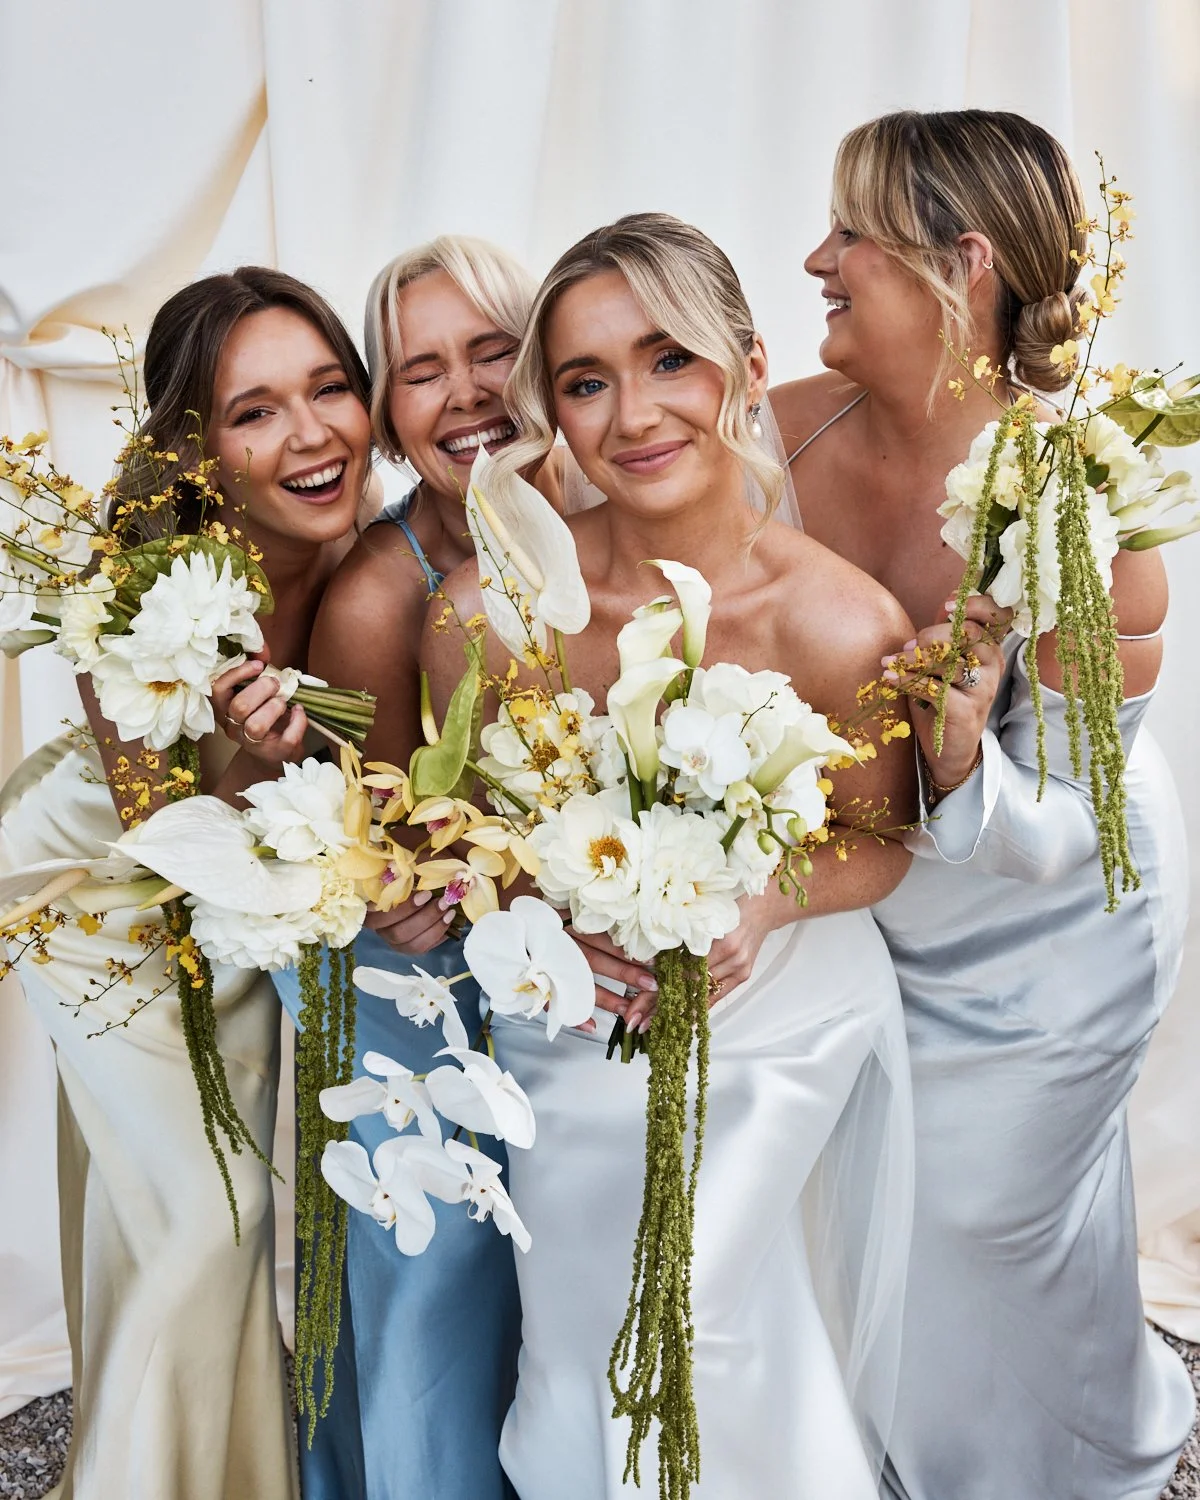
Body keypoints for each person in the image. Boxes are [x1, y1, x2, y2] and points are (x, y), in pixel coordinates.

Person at [424, 212, 918, 1499]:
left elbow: (880, 836)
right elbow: (468, 834)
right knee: (588, 1322)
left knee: (695, 1297)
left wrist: (759, 902)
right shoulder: (493, 613)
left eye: (669, 362)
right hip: (571, 1007)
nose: (632, 414)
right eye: (586, 382)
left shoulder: (839, 619)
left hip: (777, 1005)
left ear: (747, 368)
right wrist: (549, 912)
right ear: (554, 413)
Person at [770, 108, 1195, 1500]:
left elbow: (1086, 824)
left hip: (1055, 930)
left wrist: (959, 761)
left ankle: (1073, 1464)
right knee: (850, 1202)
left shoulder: (1084, 507)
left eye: (851, 235)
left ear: (959, 268)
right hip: (866, 908)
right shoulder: (777, 436)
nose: (815, 256)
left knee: (974, 1219)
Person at [0, 265, 375, 1500]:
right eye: (255, 410)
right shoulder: (143, 568)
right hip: (106, 901)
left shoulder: (390, 548)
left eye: (331, 388)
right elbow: (168, 839)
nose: (311, 432)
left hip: (253, 890)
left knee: (218, 1217)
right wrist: (257, 764)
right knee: (207, 1220)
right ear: (197, 448)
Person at [265, 236, 539, 1500]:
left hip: (566, 948)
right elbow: (372, 830)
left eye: (493, 351)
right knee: (438, 1276)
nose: (466, 394)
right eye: (421, 371)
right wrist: (437, 887)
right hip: (414, 962)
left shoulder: (620, 521)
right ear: (387, 411)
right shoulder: (379, 591)